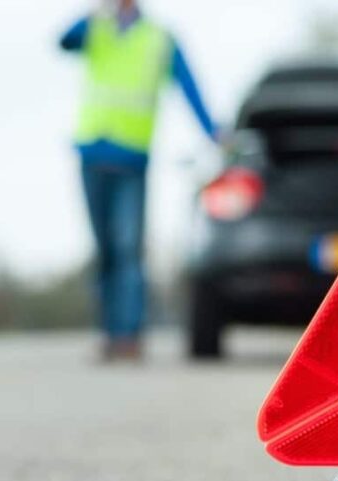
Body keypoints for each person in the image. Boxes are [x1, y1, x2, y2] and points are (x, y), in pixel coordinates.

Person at [60, 0, 219, 361]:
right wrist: (94, 11)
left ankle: (129, 335)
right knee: (104, 251)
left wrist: (214, 132)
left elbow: (188, 86)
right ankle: (110, 332)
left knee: (128, 247)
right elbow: (63, 42)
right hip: (92, 153)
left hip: (131, 158)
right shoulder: (95, 28)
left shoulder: (159, 38)